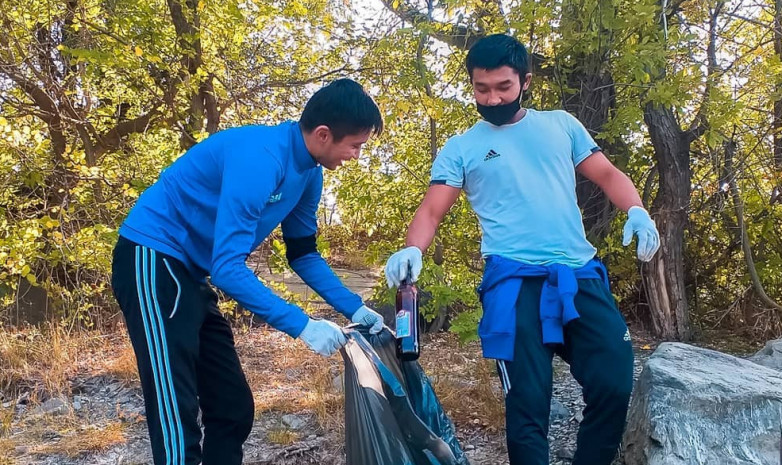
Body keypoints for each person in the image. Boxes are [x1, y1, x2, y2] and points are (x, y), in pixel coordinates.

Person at [383, 34, 660, 465]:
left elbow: (606, 174)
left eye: (503, 87)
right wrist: (413, 249)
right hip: (513, 283)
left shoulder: (561, 125)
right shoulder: (462, 147)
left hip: (579, 273)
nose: (492, 98)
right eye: (482, 88)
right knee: (528, 403)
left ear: (525, 81)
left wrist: (637, 211)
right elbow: (432, 210)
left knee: (614, 381)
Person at [111, 78, 385, 465]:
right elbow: (227, 268)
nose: (356, 155)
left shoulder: (310, 173)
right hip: (151, 260)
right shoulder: (261, 158)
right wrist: (303, 326)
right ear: (324, 134)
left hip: (190, 272)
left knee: (232, 406)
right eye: (355, 145)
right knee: (176, 410)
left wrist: (355, 309)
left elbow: (303, 255)